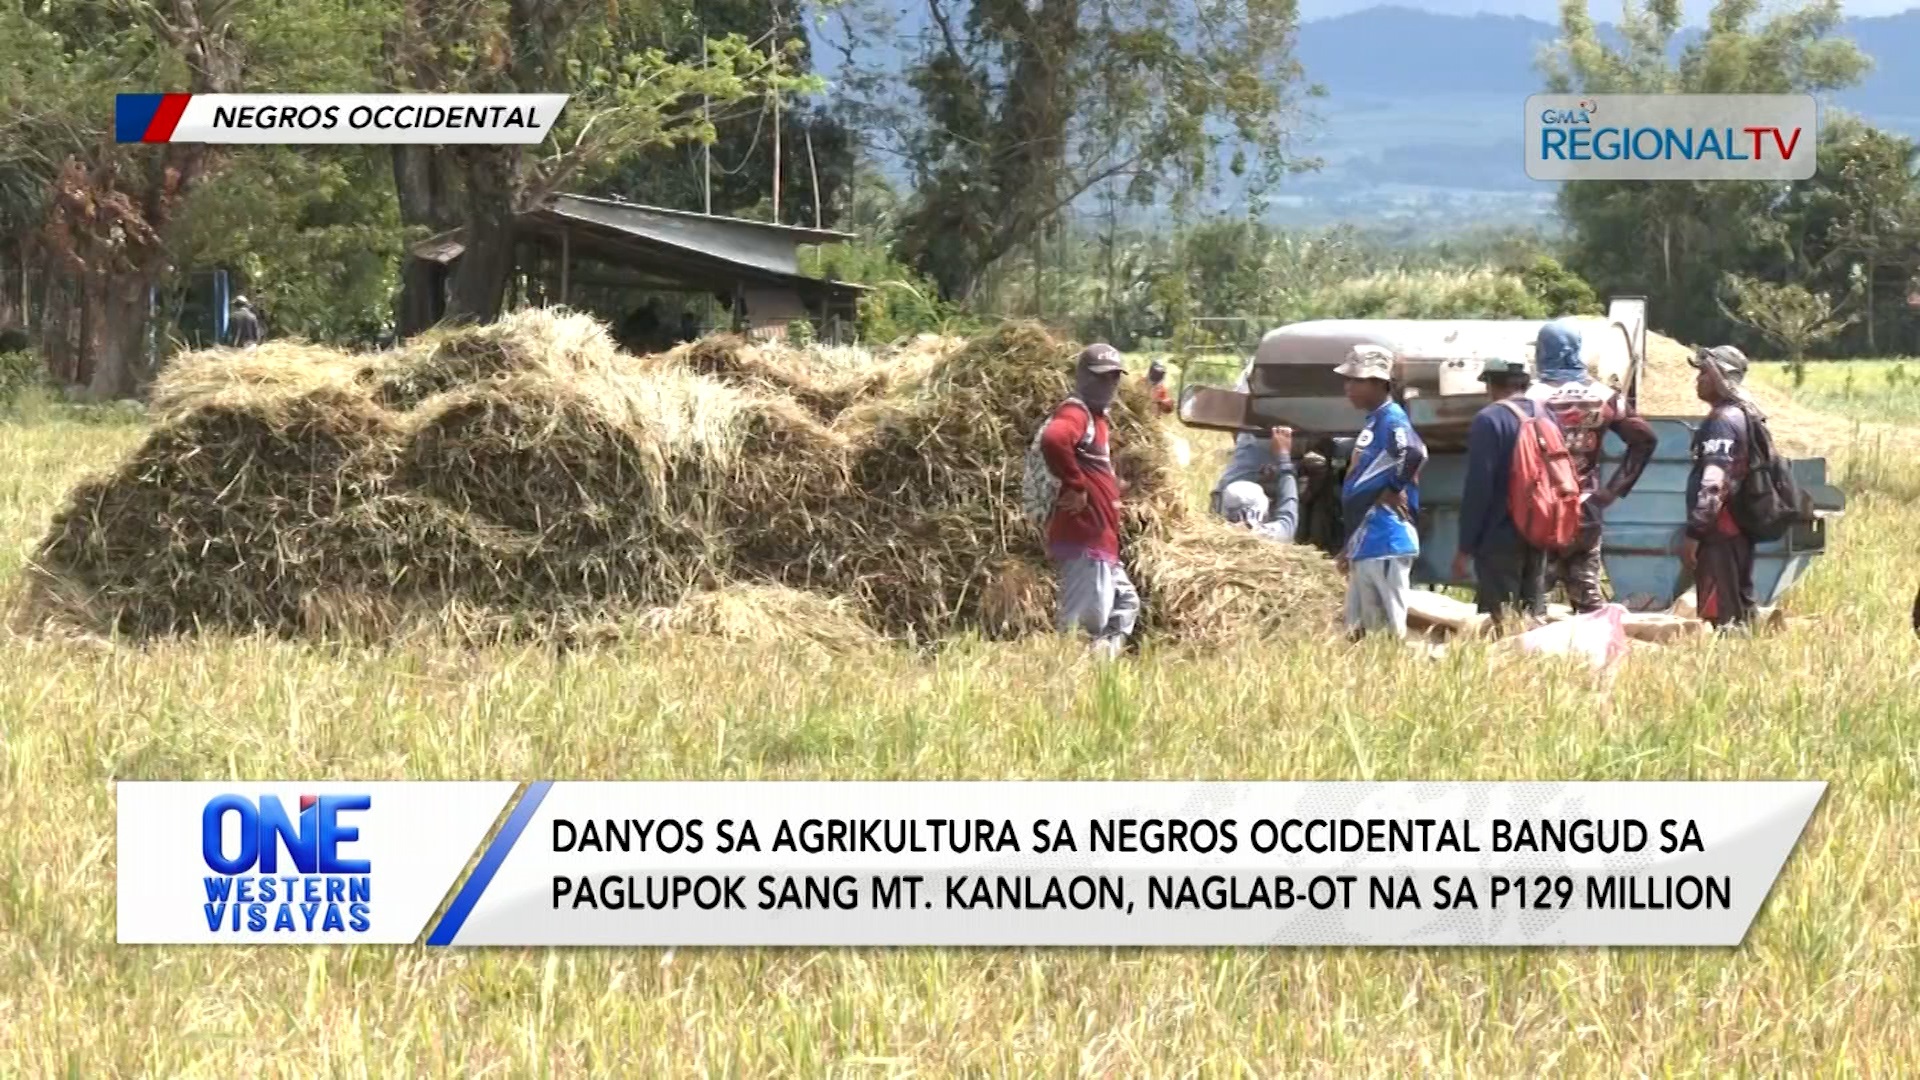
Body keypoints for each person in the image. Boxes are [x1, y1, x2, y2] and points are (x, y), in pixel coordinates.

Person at [1525, 319, 1658, 612]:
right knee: (1587, 594)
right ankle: (1600, 650)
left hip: (1544, 509)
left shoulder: (1530, 398)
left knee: (1533, 597)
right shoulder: (1605, 396)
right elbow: (1645, 440)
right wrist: (1612, 491)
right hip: (1587, 509)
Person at [1040, 343, 1139, 658]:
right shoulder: (1076, 411)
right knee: (1084, 625)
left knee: (1126, 603)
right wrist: (1076, 485)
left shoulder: (1098, 421)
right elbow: (1054, 439)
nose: (1107, 385)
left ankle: (1098, 673)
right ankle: (1072, 683)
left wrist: (1111, 487)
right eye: (1100, 377)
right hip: (1085, 540)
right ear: (1082, 377)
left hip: (1101, 542)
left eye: (1113, 378)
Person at [1334, 344, 1426, 640]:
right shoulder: (1375, 420)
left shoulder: (1393, 419)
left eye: (1356, 380)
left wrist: (1392, 488)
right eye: (1347, 380)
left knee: (1386, 631)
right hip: (1368, 538)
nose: (1348, 387)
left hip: (1386, 538)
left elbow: (1412, 451)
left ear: (1378, 382)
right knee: (1359, 628)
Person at [1454, 357, 1551, 631]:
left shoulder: (1489, 419)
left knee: (1500, 621)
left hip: (1500, 536)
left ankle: (1503, 670)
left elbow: (1478, 488)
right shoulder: (1545, 414)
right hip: (1538, 529)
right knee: (1533, 614)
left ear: (1491, 384)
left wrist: (1465, 547)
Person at [1684, 345, 1763, 629]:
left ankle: (1730, 661)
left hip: (1721, 532)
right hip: (1738, 528)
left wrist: (1695, 532)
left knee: (1722, 615)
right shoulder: (1744, 414)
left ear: (1720, 376)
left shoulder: (1722, 421)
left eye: (1704, 373)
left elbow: (1713, 485)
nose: (1698, 380)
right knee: (1739, 605)